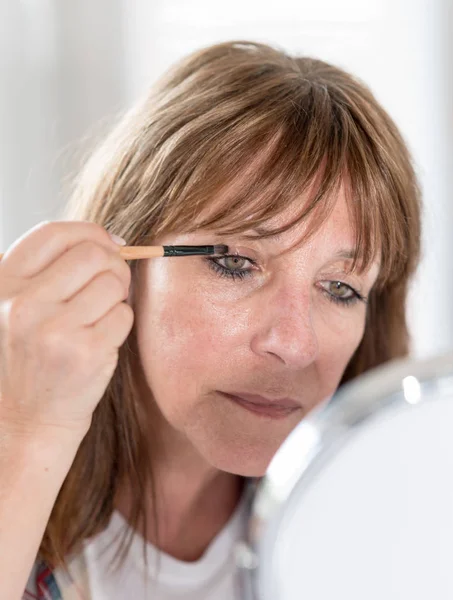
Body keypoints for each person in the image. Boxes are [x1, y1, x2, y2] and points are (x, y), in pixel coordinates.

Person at [0, 40, 421, 600]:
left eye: (340, 288)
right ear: (123, 257)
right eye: (235, 263)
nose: (293, 345)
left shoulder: (385, 533)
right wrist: (27, 433)